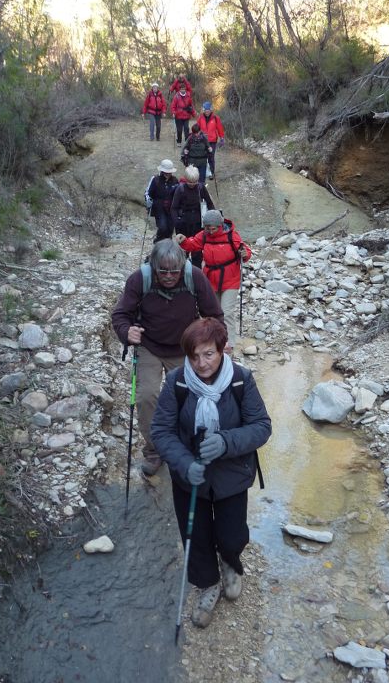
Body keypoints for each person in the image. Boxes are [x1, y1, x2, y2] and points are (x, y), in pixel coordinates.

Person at [151, 317, 271, 629]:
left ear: (222, 350)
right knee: (196, 536)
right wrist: (183, 462)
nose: (201, 363)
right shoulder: (177, 383)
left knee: (231, 536)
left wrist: (226, 442)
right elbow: (161, 431)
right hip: (191, 481)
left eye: (208, 354)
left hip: (232, 476)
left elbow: (261, 427)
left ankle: (230, 563)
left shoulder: (241, 380)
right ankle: (208, 584)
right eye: (194, 356)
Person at [111, 240, 225, 477]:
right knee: (146, 397)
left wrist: (214, 344)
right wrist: (126, 332)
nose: (170, 276)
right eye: (163, 271)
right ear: (153, 266)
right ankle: (155, 450)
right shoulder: (138, 279)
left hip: (185, 348)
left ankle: (188, 443)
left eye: (175, 270)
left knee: (192, 398)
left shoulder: (194, 277)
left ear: (182, 266)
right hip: (149, 346)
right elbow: (121, 314)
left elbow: (214, 315)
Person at [176, 209, 251, 355]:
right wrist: (183, 240)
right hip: (210, 279)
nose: (210, 231)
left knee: (226, 311)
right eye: (207, 227)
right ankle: (215, 340)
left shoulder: (231, 236)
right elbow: (192, 244)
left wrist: (245, 253)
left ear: (220, 225)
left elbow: (244, 250)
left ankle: (229, 344)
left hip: (231, 279)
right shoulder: (203, 236)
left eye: (213, 228)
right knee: (212, 313)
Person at [171, 166, 214, 268]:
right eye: (190, 182)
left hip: (198, 224)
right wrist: (177, 221)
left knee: (197, 251)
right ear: (186, 179)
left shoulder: (201, 187)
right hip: (183, 223)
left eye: (194, 181)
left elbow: (210, 203)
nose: (192, 184)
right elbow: (173, 208)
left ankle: (196, 272)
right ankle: (181, 270)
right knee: (182, 250)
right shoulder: (180, 189)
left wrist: (212, 218)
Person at [145, 159, 179, 243]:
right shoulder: (155, 180)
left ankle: (167, 244)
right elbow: (149, 193)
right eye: (166, 172)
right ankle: (158, 241)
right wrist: (149, 204)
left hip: (171, 208)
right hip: (159, 207)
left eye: (169, 172)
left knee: (170, 228)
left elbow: (178, 194)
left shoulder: (175, 180)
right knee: (162, 226)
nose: (168, 174)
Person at [197, 102, 225, 177]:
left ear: (211, 110)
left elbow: (220, 128)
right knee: (202, 156)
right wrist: (196, 136)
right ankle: (203, 171)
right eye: (205, 110)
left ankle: (211, 172)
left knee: (211, 156)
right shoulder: (200, 118)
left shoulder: (216, 118)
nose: (207, 112)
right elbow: (197, 128)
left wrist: (222, 138)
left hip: (212, 141)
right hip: (203, 140)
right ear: (203, 110)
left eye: (208, 110)